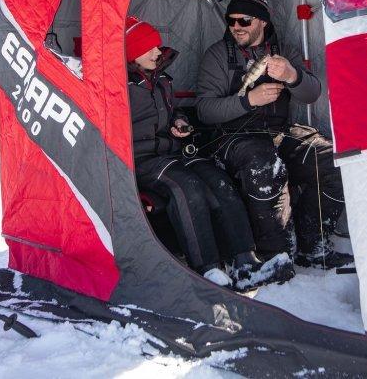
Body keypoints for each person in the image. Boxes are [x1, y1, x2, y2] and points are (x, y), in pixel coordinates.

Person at [125, 16, 293, 290]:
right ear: (133, 53)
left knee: (219, 182)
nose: (158, 52)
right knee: (187, 187)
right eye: (149, 48)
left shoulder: (162, 79)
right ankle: (207, 269)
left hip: (174, 152)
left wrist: (179, 121)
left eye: (157, 46)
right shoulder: (121, 86)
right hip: (142, 159)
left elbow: (171, 112)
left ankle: (245, 262)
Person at [195, 0, 351, 269]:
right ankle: (274, 256)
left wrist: (293, 76)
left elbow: (312, 94)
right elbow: (205, 110)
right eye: (231, 21)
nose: (236, 27)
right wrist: (248, 101)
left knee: (332, 159)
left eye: (244, 20)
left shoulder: (283, 51)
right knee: (263, 162)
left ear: (263, 21)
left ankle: (313, 245)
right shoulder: (217, 55)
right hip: (233, 137)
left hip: (279, 132)